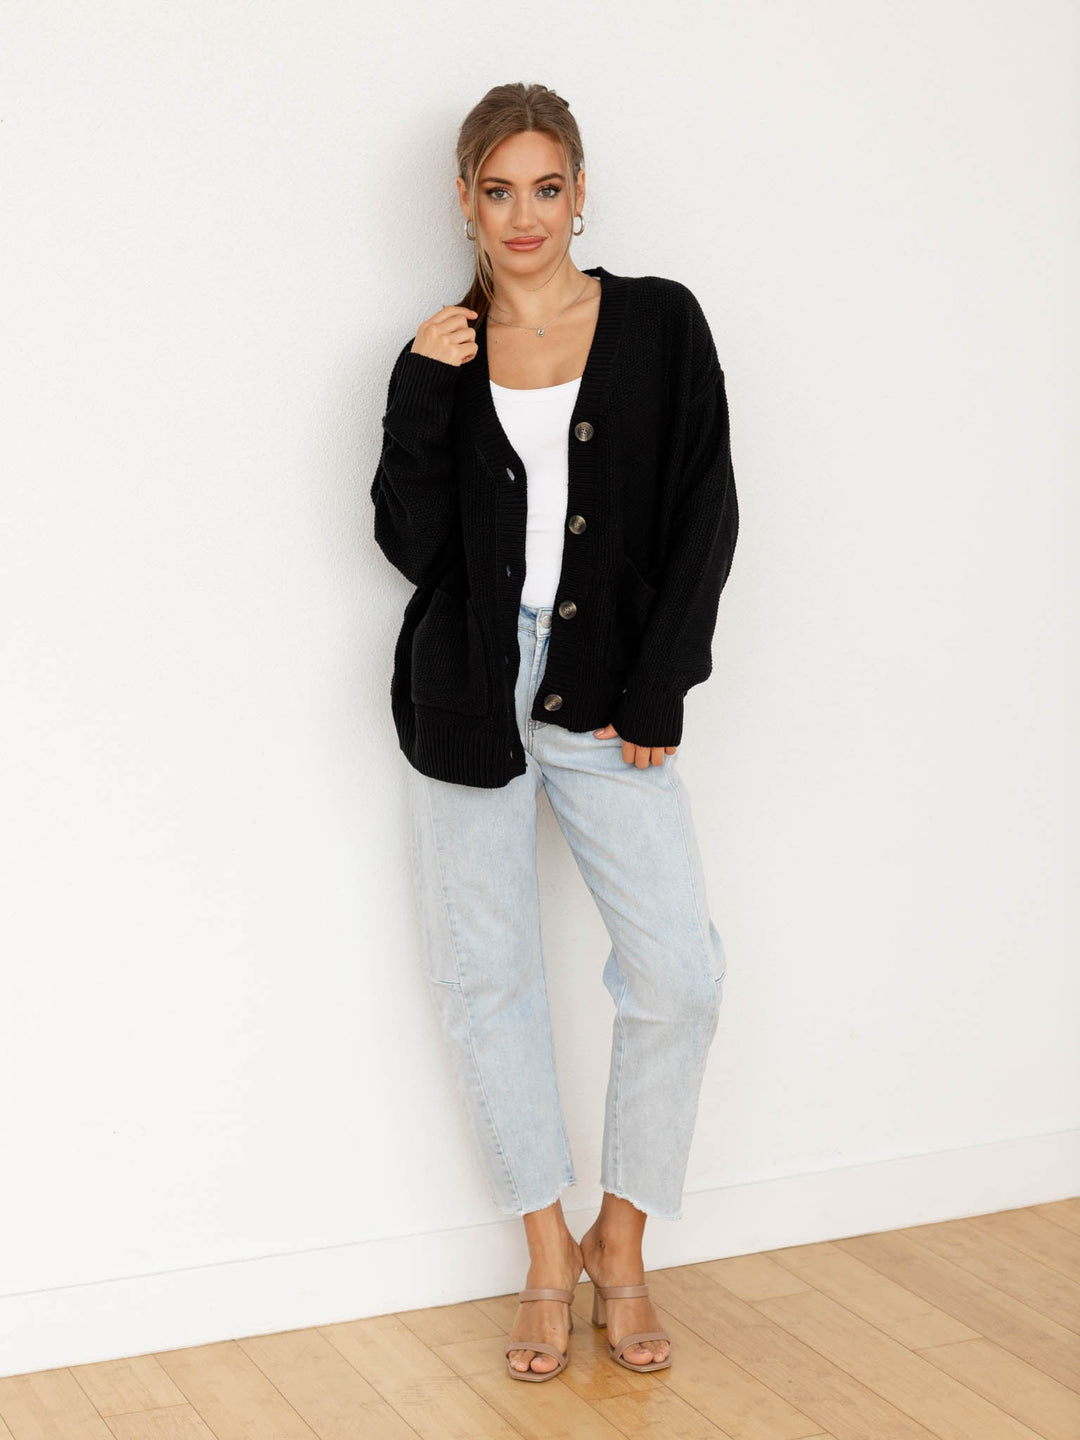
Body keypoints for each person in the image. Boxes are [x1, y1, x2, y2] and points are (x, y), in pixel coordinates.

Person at [370, 82, 739, 1381]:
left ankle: (618, 1240)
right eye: (497, 189)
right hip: (470, 689)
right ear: (464, 201)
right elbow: (410, 544)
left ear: (580, 193)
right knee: (489, 977)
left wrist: (660, 685)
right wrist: (423, 390)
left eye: (544, 186)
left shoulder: (657, 323)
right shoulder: (443, 348)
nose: (522, 214)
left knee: (679, 973)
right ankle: (544, 1251)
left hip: (608, 690)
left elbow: (705, 510)